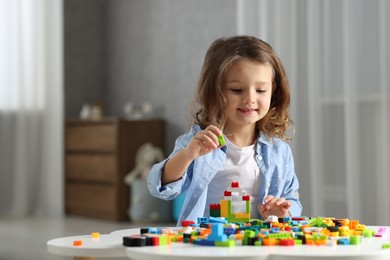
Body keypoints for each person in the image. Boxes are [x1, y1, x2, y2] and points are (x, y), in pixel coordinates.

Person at [147, 35, 302, 226]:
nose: (250, 98)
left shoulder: (279, 151)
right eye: (237, 90)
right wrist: (188, 155)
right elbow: (161, 187)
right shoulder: (198, 142)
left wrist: (281, 211)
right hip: (206, 244)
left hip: (256, 245)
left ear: (273, 90)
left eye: (261, 90)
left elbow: (292, 201)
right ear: (216, 91)